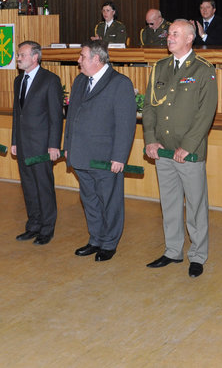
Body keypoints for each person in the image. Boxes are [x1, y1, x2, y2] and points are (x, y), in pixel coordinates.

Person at [143, 20, 218, 277]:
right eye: (169, 33)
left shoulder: (203, 69)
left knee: (196, 205)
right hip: (163, 149)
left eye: (175, 34)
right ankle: (172, 250)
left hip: (190, 152)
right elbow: (150, 106)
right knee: (170, 203)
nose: (169, 37)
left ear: (189, 38)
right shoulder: (160, 67)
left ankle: (197, 255)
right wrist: (150, 139)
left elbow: (206, 113)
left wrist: (187, 146)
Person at [64, 40, 136, 261]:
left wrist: (119, 157)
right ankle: (95, 239)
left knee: (109, 201)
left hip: (106, 158)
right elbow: (72, 117)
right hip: (81, 154)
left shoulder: (119, 83)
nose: (79, 61)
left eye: (82, 57)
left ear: (96, 59)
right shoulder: (79, 81)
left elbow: (126, 124)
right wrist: (68, 146)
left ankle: (109, 242)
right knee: (90, 200)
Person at [11, 41, 63, 245]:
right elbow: (17, 114)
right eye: (18, 55)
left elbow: (55, 117)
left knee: (43, 187)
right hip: (23, 144)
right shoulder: (18, 81)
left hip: (42, 146)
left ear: (35, 57)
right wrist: (14, 140)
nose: (18, 58)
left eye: (22, 55)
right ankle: (33, 225)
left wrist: (53, 145)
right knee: (29, 187)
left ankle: (47, 228)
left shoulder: (50, 80)